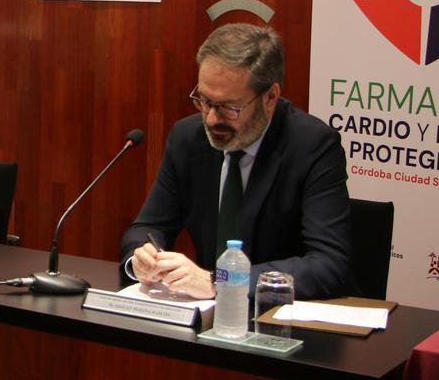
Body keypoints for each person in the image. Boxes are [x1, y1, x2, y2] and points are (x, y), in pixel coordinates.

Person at [120, 23, 352, 300]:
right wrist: (142, 257)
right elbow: (148, 226)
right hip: (206, 318)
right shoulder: (188, 138)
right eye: (204, 101)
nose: (210, 119)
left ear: (270, 98)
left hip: (283, 323)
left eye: (229, 107)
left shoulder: (312, 146)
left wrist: (222, 281)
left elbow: (328, 265)